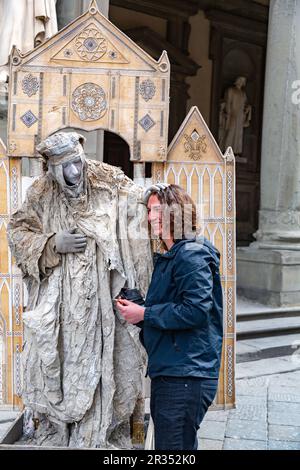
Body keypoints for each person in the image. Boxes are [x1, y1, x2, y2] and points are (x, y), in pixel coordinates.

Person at [7, 131, 153, 448]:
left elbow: (132, 198)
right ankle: (59, 426)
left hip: (104, 297)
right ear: (51, 169)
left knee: (111, 364)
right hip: (61, 303)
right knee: (57, 363)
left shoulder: (105, 177)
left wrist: (147, 199)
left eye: (76, 164)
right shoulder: (41, 193)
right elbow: (18, 231)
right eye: (64, 168)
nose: (74, 173)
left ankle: (108, 429)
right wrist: (50, 244)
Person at [116, 183, 223, 450]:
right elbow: (174, 309)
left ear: (174, 213)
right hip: (175, 370)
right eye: (149, 211)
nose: (149, 217)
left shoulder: (191, 255)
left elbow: (196, 311)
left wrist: (146, 312)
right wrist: (138, 310)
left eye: (154, 210)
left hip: (185, 376)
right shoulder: (176, 255)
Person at [219, 76, 251, 154]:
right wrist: (229, 113)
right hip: (232, 113)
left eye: (243, 81)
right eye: (240, 80)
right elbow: (228, 102)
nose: (241, 82)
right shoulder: (231, 90)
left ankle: (236, 151)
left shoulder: (243, 93)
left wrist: (247, 109)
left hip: (240, 115)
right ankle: (226, 149)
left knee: (238, 133)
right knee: (231, 131)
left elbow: (244, 104)